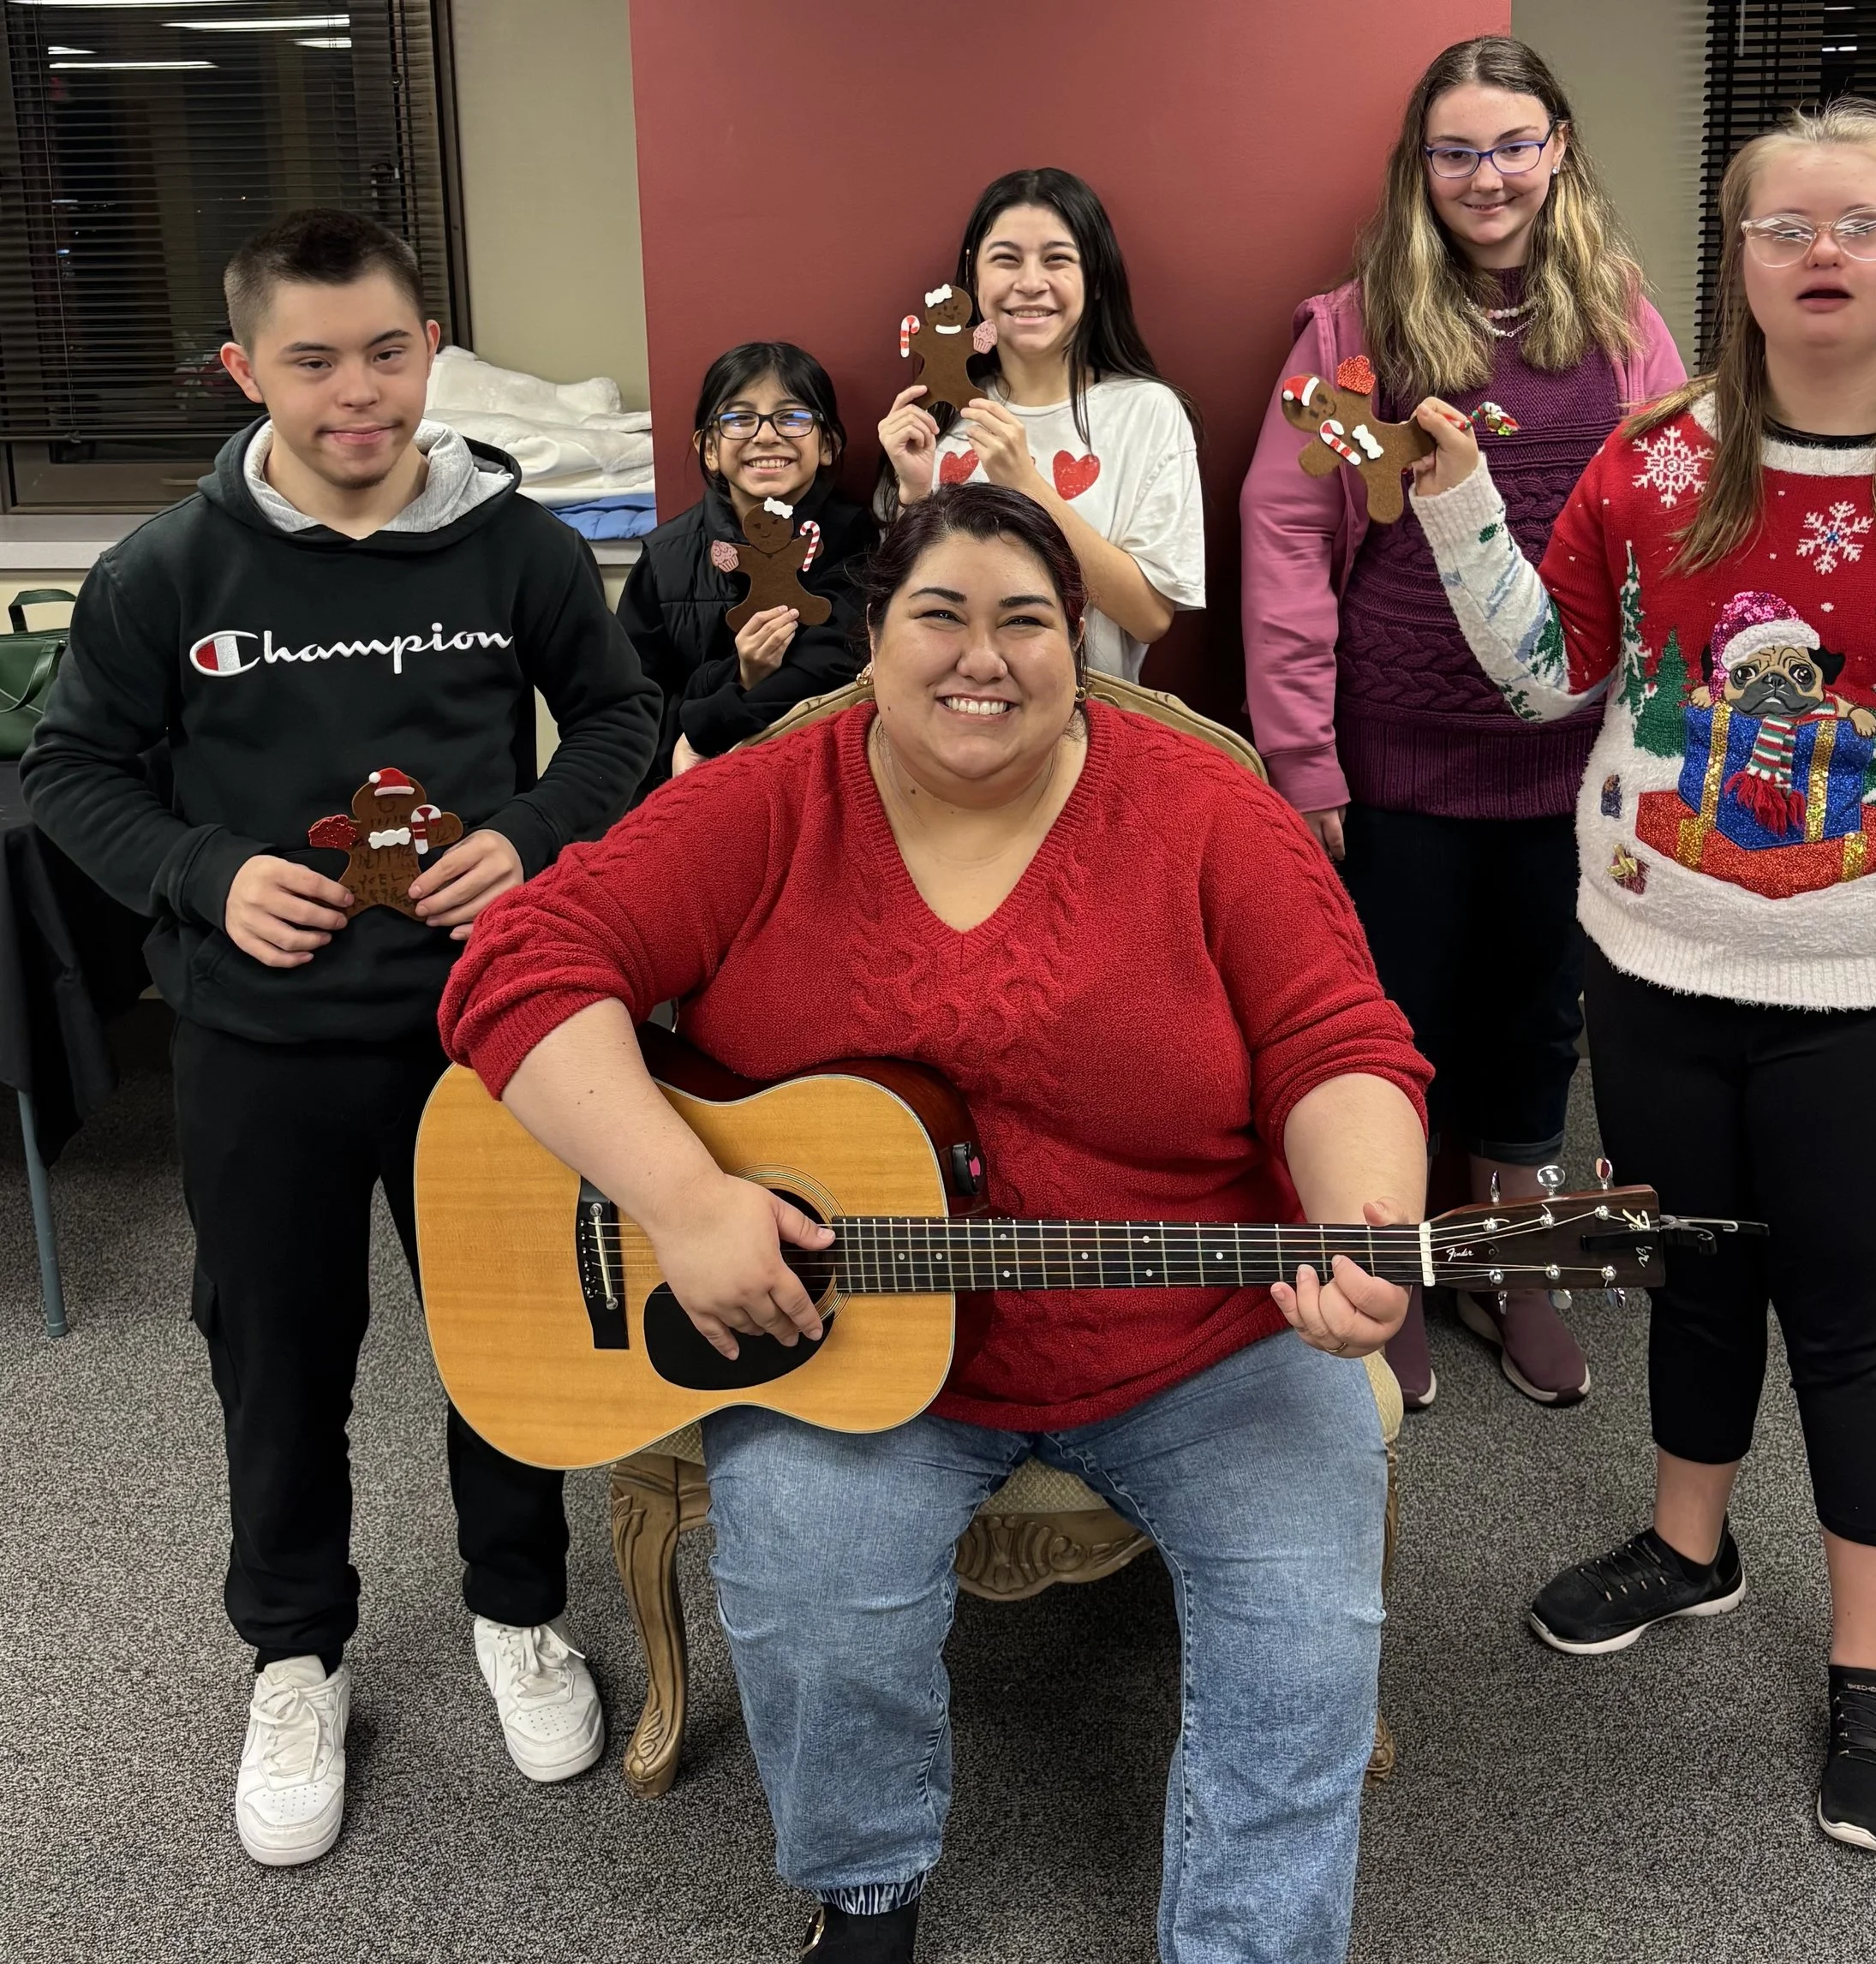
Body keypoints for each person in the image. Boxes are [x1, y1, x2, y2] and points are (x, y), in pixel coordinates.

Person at [437, 484, 1428, 1964]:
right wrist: (686, 1194)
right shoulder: (772, 798)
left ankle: (1252, 1942)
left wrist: (1369, 1214)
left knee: (1302, 1634)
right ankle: (869, 1892)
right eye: (941, 616)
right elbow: (517, 963)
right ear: (873, 637)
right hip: (851, 1346)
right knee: (807, 1581)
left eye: (1028, 619)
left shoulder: (1210, 810)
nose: (986, 656)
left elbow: (1339, 1042)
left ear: (1078, 643)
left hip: (1198, 1333)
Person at [1401, 99, 1876, 1853]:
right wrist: (1450, 507)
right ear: (1733, 259)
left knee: (1846, 1325)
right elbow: (1543, 672)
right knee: (1689, 1284)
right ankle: (1688, 1547)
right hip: (1655, 966)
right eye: (1779, 226)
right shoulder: (1652, 459)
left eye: (1855, 223)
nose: (1816, 252)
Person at [22, 209, 660, 1866]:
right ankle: (295, 1651)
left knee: (504, 1339)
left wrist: (529, 832)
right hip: (261, 1041)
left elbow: (619, 721)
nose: (357, 392)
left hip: (484, 1034)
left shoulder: (512, 548)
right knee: (280, 1359)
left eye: (387, 350)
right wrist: (202, 870)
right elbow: (73, 773)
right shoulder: (169, 570)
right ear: (248, 370)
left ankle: (517, 1608)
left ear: (427, 347)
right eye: (311, 361)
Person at [1241, 33, 1686, 1411]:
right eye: (1456, 151)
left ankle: (1517, 1258)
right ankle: (1406, 1262)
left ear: (1556, 148)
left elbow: (1673, 519)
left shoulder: (1619, 319)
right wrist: (1301, 756)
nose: (1486, 176)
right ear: (1419, 169)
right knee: (1397, 1017)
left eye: (1511, 144)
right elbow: (1282, 544)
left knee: (1540, 1022)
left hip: (1570, 768)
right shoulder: (1351, 329)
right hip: (1399, 766)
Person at [877, 167, 1203, 684]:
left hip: (1092, 723)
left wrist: (1026, 486)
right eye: (1006, 259)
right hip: (949, 712)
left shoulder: (1147, 412)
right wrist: (915, 497)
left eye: (1057, 259)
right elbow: (899, 614)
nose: (1031, 284)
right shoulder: (934, 415)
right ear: (974, 277)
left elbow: (1149, 616)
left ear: (1094, 279)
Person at [618, 340, 875, 785]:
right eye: (739, 419)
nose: (766, 434)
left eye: (792, 417)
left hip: (822, 783)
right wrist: (738, 673)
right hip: (695, 790)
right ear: (710, 450)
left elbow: (837, 664)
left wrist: (711, 718)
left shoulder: (857, 538)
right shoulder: (667, 558)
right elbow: (630, 706)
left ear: (829, 444)